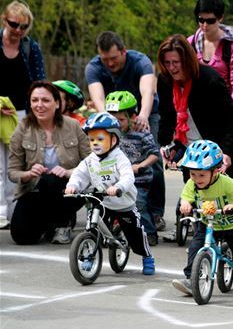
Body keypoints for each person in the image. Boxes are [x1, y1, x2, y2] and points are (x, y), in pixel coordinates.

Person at [85, 31, 165, 231]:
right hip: (113, 116)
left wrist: (144, 116)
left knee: (150, 159)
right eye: (105, 59)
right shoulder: (94, 67)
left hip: (143, 113)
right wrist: (108, 121)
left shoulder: (140, 62)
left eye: (113, 58)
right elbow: (98, 98)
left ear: (123, 51)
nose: (109, 64)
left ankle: (155, 212)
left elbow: (147, 91)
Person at [64, 112, 155, 275]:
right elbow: (79, 174)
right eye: (92, 140)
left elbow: (128, 176)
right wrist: (73, 186)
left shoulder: (120, 158)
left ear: (114, 139)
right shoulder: (90, 160)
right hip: (102, 201)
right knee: (91, 227)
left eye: (100, 139)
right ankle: (88, 256)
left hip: (123, 203)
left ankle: (147, 256)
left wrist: (119, 187)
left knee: (135, 233)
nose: (95, 143)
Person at [172, 140, 233, 296]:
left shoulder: (225, 182)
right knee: (195, 248)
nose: (197, 179)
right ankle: (190, 278)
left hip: (230, 225)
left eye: (201, 175)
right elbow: (185, 197)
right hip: (206, 223)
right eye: (193, 174)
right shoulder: (192, 183)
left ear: (215, 171)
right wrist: (185, 204)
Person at [156, 34, 233, 182]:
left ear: (186, 61)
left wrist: (227, 153)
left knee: (225, 202)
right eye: (167, 63)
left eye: (176, 62)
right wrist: (166, 145)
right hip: (192, 154)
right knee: (190, 203)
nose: (171, 68)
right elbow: (166, 116)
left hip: (218, 150)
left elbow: (232, 121)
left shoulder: (209, 79)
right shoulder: (165, 81)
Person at [8, 81, 89, 244]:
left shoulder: (73, 126)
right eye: (35, 100)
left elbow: (92, 162)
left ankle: (63, 222)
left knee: (51, 180)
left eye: (45, 100)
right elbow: (13, 172)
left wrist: (68, 172)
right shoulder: (22, 128)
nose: (39, 105)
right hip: (34, 190)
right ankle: (52, 223)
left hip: (70, 189)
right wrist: (29, 173)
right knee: (22, 236)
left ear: (57, 103)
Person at [1, 0, 46, 228]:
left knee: (16, 165)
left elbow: (39, 82)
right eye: (14, 24)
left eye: (24, 26)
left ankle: (14, 216)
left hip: (20, 113)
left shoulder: (30, 47)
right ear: (4, 20)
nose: (18, 30)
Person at [105, 90, 160, 246]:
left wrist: (140, 166)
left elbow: (154, 154)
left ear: (133, 117)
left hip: (139, 179)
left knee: (138, 203)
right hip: (117, 178)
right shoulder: (111, 134)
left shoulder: (142, 133)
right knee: (105, 202)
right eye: (112, 119)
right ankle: (109, 233)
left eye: (121, 119)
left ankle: (149, 233)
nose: (116, 124)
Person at [188, 0, 233, 108]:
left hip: (224, 106)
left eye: (210, 21)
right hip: (196, 108)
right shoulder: (190, 44)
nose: (205, 25)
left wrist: (230, 114)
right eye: (201, 20)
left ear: (220, 18)